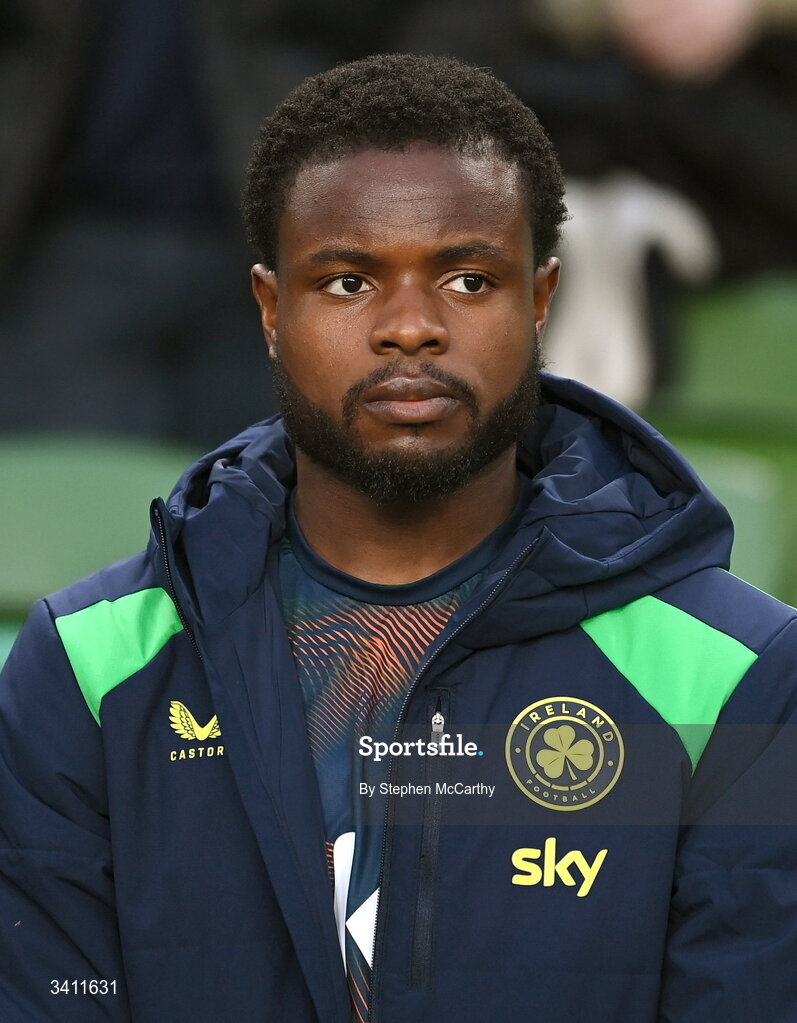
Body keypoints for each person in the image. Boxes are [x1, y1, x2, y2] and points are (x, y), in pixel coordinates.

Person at [2, 53, 797, 1023]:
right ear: (268, 309)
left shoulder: (733, 672)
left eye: (467, 279)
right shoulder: (87, 668)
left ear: (540, 301)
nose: (409, 328)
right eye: (346, 282)